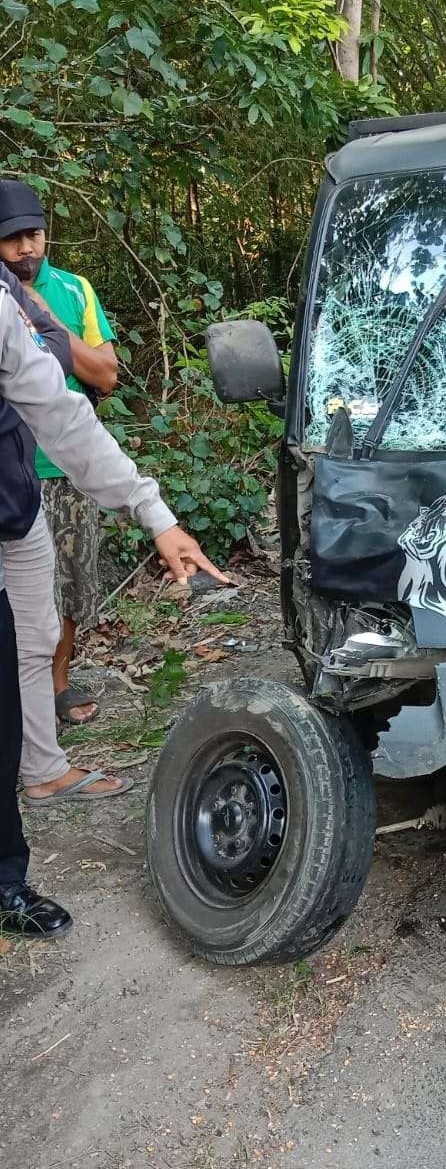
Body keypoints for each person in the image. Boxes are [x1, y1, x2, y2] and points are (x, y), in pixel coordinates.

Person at [0, 262, 226, 939]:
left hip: (11, 506)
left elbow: (61, 412)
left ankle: (8, 870)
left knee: (32, 646)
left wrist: (152, 512)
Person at [0, 180, 132, 805]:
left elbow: (104, 374)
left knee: (68, 598)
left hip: (69, 468)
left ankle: (53, 698)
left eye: (34, 234)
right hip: (15, 473)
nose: (26, 247)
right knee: (25, 613)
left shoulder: (72, 289)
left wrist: (39, 316)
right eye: (13, 238)